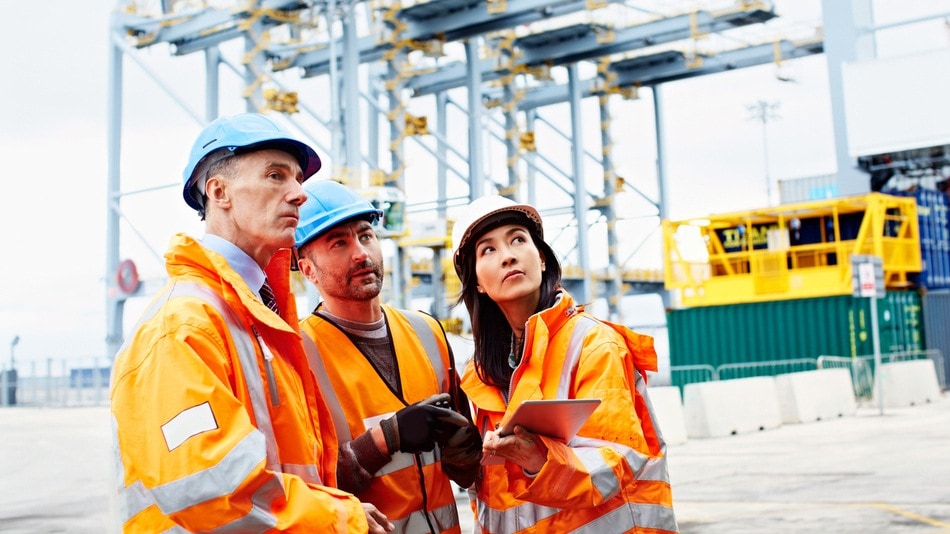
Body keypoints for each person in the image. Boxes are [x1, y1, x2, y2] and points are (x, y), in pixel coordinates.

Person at [110, 113, 390, 533]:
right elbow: (207, 486)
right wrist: (338, 518)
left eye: (298, 179)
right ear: (218, 191)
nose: (298, 194)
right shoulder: (184, 324)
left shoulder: (261, 315)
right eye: (276, 176)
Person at [451, 195, 678, 533]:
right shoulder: (480, 375)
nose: (508, 255)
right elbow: (494, 499)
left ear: (541, 259)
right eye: (488, 250)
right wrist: (466, 468)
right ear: (478, 284)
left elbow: (616, 458)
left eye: (517, 239)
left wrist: (539, 460)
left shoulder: (593, 345)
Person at [294, 179, 483, 533]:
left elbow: (466, 471)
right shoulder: (297, 355)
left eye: (366, 236)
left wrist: (467, 451)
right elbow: (302, 490)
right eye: (339, 243)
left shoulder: (427, 332)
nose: (360, 253)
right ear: (307, 269)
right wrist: (386, 438)